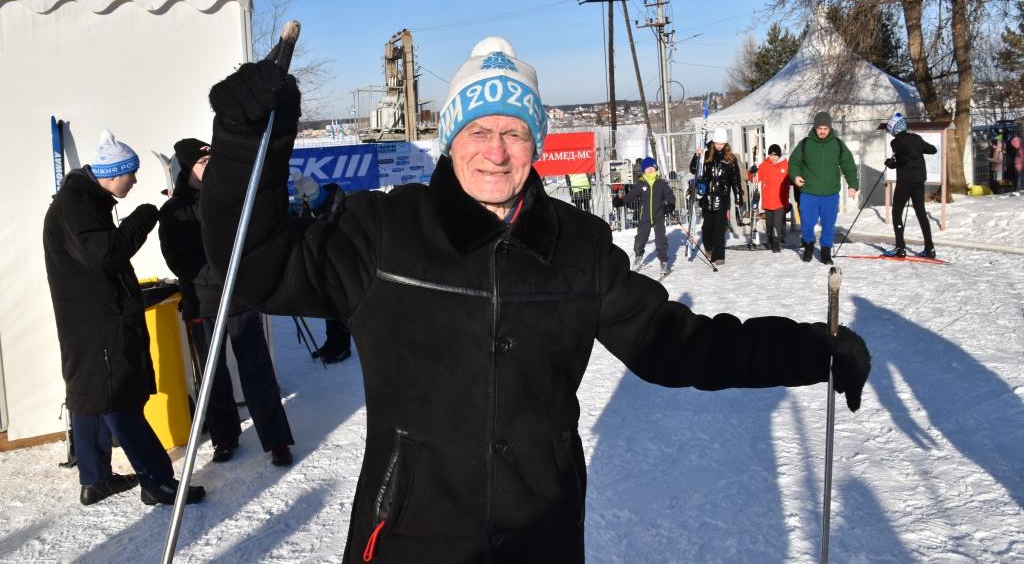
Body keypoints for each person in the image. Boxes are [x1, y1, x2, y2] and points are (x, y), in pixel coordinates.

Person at [200, 36, 870, 564]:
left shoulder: (578, 247)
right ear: (451, 140)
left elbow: (677, 345)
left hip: (540, 536)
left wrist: (810, 350)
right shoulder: (385, 232)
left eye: (514, 132)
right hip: (410, 537)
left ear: (536, 143)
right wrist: (243, 145)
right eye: (478, 131)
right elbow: (256, 269)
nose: (496, 152)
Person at [43, 130, 205, 507]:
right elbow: (106, 254)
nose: (134, 180)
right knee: (118, 399)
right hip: (98, 322)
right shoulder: (77, 204)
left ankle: (95, 479)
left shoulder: (83, 200)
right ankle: (158, 481)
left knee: (89, 395)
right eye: (130, 173)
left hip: (86, 320)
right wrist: (145, 216)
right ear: (112, 173)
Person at [158, 138, 295, 466]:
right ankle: (224, 437)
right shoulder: (174, 210)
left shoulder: (230, 200)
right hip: (203, 302)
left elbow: (251, 241)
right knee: (213, 376)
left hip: (239, 299)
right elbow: (179, 260)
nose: (210, 168)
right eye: (203, 163)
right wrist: (220, 275)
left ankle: (276, 439)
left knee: (257, 370)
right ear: (187, 169)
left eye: (212, 162)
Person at [788, 112, 859, 265]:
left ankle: (826, 252)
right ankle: (808, 246)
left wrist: (853, 184)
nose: (822, 131)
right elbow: (794, 162)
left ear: (830, 128)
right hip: (809, 192)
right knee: (807, 223)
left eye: (825, 128)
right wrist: (796, 176)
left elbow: (848, 165)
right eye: (819, 128)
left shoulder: (838, 144)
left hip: (830, 193)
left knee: (828, 224)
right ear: (815, 128)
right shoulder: (805, 144)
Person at [295, 177, 353, 364]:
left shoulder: (337, 205)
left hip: (341, 264)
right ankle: (331, 343)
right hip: (323, 263)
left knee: (340, 307)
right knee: (329, 306)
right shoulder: (311, 205)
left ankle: (343, 347)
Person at [882, 114, 937, 258]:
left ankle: (900, 247)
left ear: (894, 129)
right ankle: (930, 248)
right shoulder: (916, 138)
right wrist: (918, 150)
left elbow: (903, 161)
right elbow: (932, 150)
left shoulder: (895, 142)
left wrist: (891, 163)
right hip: (919, 181)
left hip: (905, 181)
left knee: (897, 212)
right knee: (921, 213)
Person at [689, 128, 744, 265]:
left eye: (722, 143)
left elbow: (736, 180)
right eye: (717, 143)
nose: (719, 146)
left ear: (725, 143)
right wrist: (697, 156)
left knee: (719, 228)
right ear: (714, 142)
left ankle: (719, 255)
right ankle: (708, 247)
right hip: (707, 197)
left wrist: (738, 197)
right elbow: (694, 169)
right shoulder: (706, 155)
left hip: (722, 198)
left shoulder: (730, 159)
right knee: (708, 227)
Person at [623, 156, 675, 273]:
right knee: (640, 238)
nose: (650, 170)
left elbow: (670, 195)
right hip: (645, 217)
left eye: (652, 167)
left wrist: (671, 204)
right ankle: (638, 255)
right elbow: (631, 195)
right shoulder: (641, 184)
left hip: (658, 216)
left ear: (656, 168)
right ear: (643, 171)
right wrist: (622, 201)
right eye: (647, 168)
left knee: (660, 239)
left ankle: (663, 261)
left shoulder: (661, 183)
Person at [755, 144, 791, 253]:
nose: (773, 157)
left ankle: (776, 245)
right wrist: (752, 172)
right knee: (769, 225)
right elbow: (755, 179)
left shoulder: (785, 165)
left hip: (780, 201)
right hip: (768, 201)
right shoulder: (764, 165)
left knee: (777, 224)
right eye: (771, 155)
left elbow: (793, 177)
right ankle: (770, 242)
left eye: (775, 155)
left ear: (779, 155)